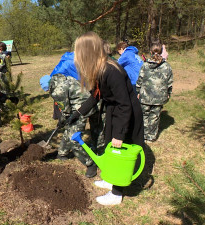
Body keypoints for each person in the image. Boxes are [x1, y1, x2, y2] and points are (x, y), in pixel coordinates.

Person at [67, 32, 144, 205]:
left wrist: (120, 133)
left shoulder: (111, 71)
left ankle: (117, 194)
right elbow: (96, 96)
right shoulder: (100, 69)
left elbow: (125, 105)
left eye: (78, 53)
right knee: (110, 146)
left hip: (126, 114)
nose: (77, 58)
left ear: (87, 53)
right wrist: (78, 113)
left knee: (118, 151)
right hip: (114, 111)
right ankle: (111, 179)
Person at [39, 52, 98, 178]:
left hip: (82, 109)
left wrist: (62, 119)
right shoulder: (60, 78)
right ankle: (62, 153)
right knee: (69, 127)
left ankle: (90, 163)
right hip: (86, 102)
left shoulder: (57, 90)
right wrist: (63, 120)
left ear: (47, 87)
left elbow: (65, 110)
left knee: (73, 138)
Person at [136, 42, 173, 143]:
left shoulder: (145, 65)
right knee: (154, 117)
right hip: (159, 97)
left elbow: (140, 80)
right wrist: (168, 93)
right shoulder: (167, 66)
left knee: (144, 115)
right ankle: (151, 136)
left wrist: (138, 91)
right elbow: (169, 83)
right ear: (161, 51)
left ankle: (143, 135)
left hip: (145, 96)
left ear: (151, 51)